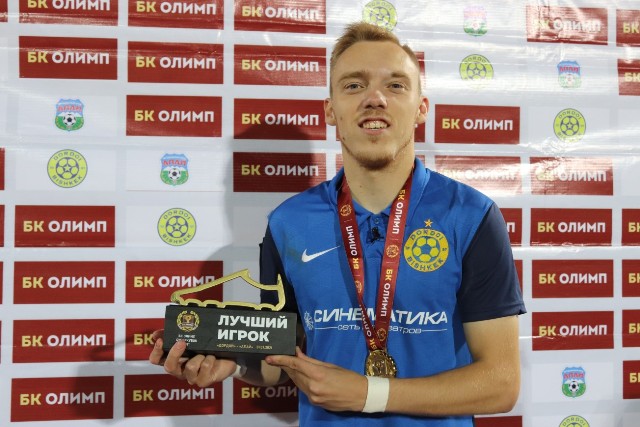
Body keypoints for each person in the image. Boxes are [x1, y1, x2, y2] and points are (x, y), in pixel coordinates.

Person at [150, 21, 526, 426]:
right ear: (330, 110)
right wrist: (235, 363)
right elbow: (283, 359)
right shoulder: (288, 223)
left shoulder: (471, 216)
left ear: (421, 108)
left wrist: (368, 394)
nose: (375, 99)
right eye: (354, 85)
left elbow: (500, 384)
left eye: (395, 85)